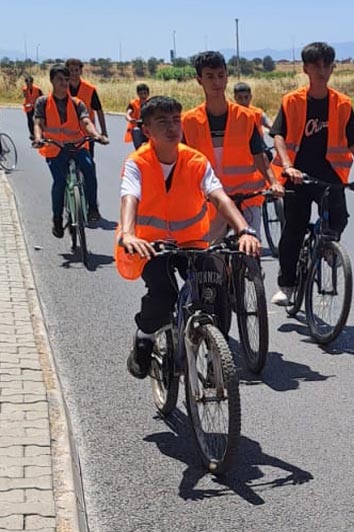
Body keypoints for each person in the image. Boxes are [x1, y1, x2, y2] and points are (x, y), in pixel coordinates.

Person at [116, 95, 262, 379]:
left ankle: (214, 354)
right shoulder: (137, 163)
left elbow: (219, 197)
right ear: (147, 131)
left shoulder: (196, 160)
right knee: (163, 293)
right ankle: (145, 337)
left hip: (193, 242)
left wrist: (244, 229)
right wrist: (129, 234)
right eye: (162, 122)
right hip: (150, 246)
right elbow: (129, 197)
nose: (172, 127)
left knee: (213, 286)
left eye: (175, 120)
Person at [269, 42, 354, 305]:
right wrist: (287, 166)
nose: (322, 70)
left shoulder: (342, 104)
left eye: (327, 65)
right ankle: (287, 285)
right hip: (296, 172)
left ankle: (328, 248)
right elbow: (279, 136)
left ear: (332, 68)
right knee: (294, 227)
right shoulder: (292, 101)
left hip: (330, 173)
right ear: (306, 68)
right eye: (316, 65)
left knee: (338, 218)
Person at [181, 51, 283, 232]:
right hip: (210, 201)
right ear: (199, 80)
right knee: (213, 256)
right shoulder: (188, 121)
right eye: (210, 77)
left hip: (246, 200)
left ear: (227, 77)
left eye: (221, 75)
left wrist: (273, 182)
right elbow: (181, 163)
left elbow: (260, 157)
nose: (216, 82)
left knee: (250, 250)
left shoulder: (245, 117)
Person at [32, 66, 107, 238]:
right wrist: (38, 138)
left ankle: (92, 208)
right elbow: (38, 123)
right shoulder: (43, 102)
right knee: (59, 182)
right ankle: (57, 219)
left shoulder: (77, 103)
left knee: (89, 168)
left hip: (76, 146)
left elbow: (86, 121)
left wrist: (97, 135)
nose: (64, 83)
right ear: (52, 81)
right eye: (60, 79)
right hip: (55, 148)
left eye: (67, 80)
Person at [66, 58, 108, 222]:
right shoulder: (62, 89)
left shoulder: (90, 89)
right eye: (71, 70)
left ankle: (93, 207)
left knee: (89, 167)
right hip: (65, 136)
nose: (74, 73)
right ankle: (68, 203)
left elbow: (98, 110)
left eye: (76, 70)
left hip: (86, 135)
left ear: (81, 71)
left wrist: (103, 132)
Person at [125, 83, 150, 149]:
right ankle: (139, 151)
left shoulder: (152, 103)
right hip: (138, 127)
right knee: (136, 130)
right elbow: (128, 114)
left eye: (145, 93)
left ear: (148, 94)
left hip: (150, 128)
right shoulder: (134, 103)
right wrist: (130, 119)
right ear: (138, 94)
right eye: (141, 94)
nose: (143, 96)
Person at [22, 75, 43, 141]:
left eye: (29, 83)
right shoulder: (25, 89)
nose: (28, 85)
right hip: (28, 107)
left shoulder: (37, 89)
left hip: (36, 106)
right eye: (27, 83)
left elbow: (41, 98)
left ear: (32, 83)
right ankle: (32, 134)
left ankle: (40, 133)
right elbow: (26, 97)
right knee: (30, 120)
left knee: (37, 120)